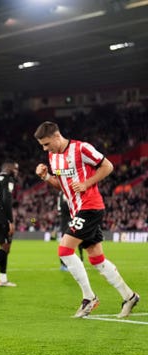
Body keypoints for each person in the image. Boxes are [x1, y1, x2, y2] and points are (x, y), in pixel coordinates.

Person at [34, 121, 140, 318]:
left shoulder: (81, 148)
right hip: (77, 210)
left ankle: (89, 298)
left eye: (47, 144)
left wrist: (86, 183)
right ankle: (129, 296)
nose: (44, 148)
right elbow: (63, 186)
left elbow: (108, 166)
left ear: (57, 136)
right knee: (96, 258)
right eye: (42, 145)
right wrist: (46, 177)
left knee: (64, 250)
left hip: (90, 206)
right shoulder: (52, 157)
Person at [57, 192, 82, 271]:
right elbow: (61, 208)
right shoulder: (63, 193)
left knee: (78, 239)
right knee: (65, 242)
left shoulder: (65, 192)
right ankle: (63, 264)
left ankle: (81, 258)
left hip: (71, 219)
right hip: (66, 220)